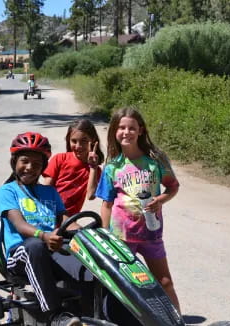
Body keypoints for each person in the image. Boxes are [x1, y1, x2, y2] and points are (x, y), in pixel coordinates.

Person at [0, 132, 91, 326]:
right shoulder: (7, 191)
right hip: (20, 254)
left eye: (36, 164)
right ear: (14, 161)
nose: (30, 167)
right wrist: (43, 235)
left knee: (90, 255)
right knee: (35, 246)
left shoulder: (49, 191)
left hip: (50, 249)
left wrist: (89, 234)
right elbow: (19, 224)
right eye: (24, 161)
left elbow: (66, 220)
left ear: (43, 168)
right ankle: (55, 315)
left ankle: (97, 311)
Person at [95, 107, 181, 312]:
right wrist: (106, 235)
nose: (126, 132)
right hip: (121, 237)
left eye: (131, 128)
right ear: (115, 131)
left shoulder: (155, 160)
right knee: (124, 288)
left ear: (140, 130)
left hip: (151, 234)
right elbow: (107, 204)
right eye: (121, 127)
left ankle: (176, 321)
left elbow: (173, 186)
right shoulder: (112, 167)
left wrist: (160, 200)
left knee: (165, 282)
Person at [42, 119, 104, 217]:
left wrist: (93, 168)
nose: (78, 146)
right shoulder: (60, 159)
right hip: (48, 214)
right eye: (74, 141)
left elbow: (91, 195)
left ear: (92, 140)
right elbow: (46, 189)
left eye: (84, 141)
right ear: (68, 140)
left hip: (70, 220)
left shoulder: (95, 170)